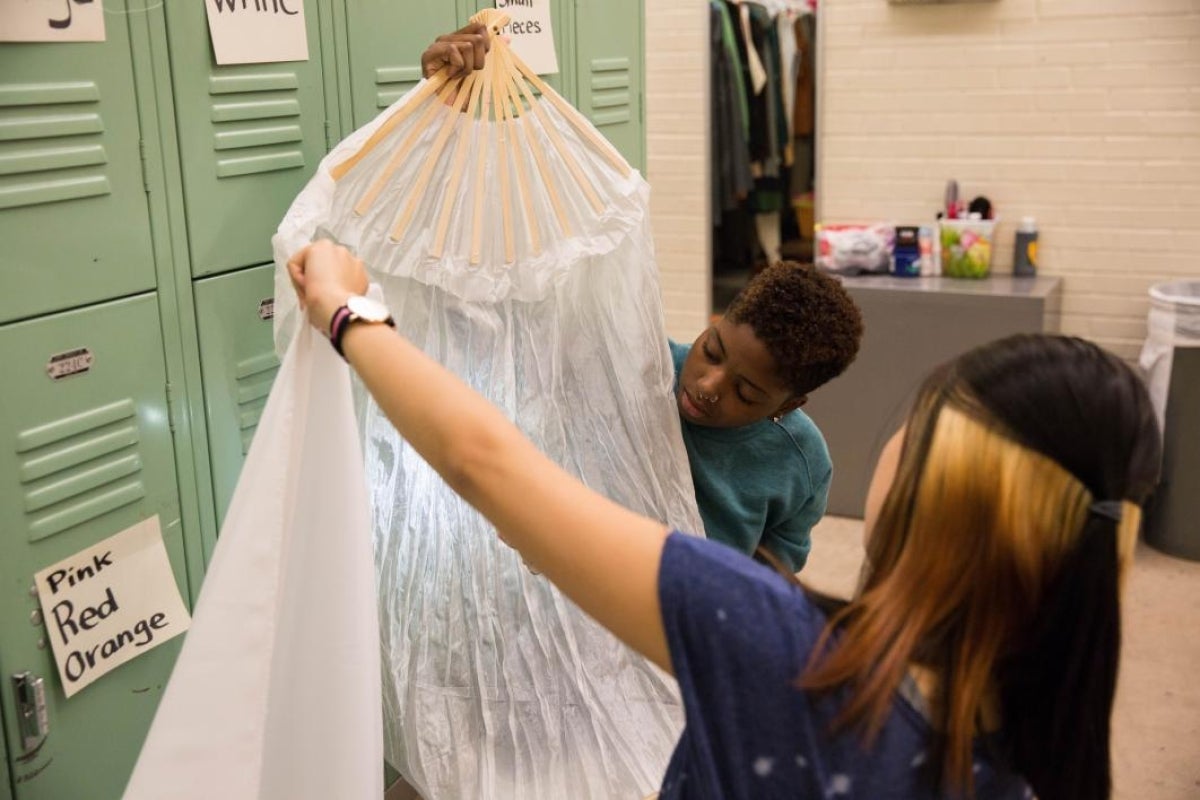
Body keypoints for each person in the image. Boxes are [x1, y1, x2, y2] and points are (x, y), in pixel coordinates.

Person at [287, 240, 1160, 800]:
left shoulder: (769, 639)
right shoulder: (1039, 742)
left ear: (933, 482)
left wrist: (346, 310)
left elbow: (484, 461)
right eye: (710, 355)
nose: (708, 388)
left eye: (912, 423)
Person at [421, 27, 864, 575]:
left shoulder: (800, 461)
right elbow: (491, 297)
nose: (706, 386)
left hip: (687, 631)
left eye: (746, 392)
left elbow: (774, 572)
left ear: (786, 406)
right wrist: (448, 108)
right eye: (713, 351)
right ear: (713, 323)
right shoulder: (636, 368)